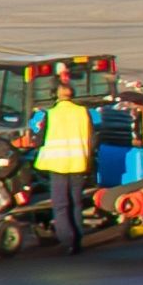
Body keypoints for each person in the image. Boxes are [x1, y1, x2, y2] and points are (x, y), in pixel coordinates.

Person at [37, 85, 96, 251]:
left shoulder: (51, 114)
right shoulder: (83, 112)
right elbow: (93, 138)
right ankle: (77, 238)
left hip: (57, 165)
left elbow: (40, 139)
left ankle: (67, 239)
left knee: (61, 205)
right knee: (76, 203)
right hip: (78, 164)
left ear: (56, 95)